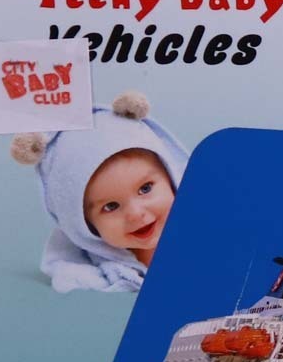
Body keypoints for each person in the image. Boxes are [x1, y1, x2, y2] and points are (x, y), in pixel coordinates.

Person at [11, 91, 188, 292]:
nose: (135, 213)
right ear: (85, 225)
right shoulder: (101, 270)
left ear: (171, 177)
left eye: (145, 188)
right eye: (111, 206)